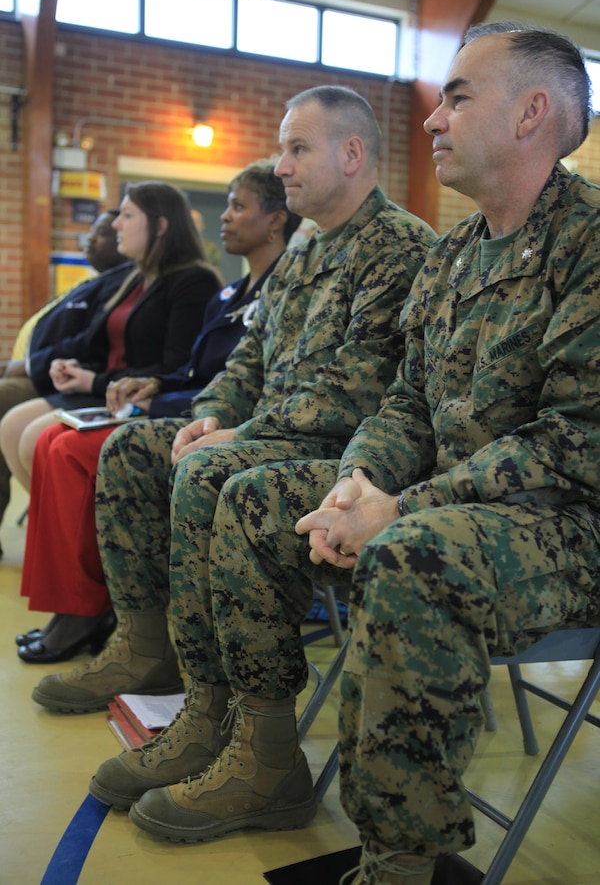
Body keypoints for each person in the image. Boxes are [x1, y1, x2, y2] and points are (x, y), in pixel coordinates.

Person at [145, 22, 600, 882]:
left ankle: (399, 864)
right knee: (258, 497)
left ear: (532, 112)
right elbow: (407, 403)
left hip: (571, 521)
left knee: (413, 555)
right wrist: (361, 481)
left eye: (458, 97)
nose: (432, 119)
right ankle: (263, 755)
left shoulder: (589, 247)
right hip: (454, 500)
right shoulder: (458, 256)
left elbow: (578, 441)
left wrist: (402, 509)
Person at [31, 85, 436, 832]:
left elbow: (360, 388)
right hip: (272, 435)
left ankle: (252, 736)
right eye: (281, 149)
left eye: (297, 148)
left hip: (341, 456)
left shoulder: (401, 248)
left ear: (352, 155)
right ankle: (152, 654)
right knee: (133, 448)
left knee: (213, 471)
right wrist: (213, 411)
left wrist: (239, 436)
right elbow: (249, 359)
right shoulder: (308, 247)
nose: (280, 166)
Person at [16, 158, 302, 663]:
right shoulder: (229, 294)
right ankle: (74, 606)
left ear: (276, 219)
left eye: (239, 206)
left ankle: (94, 609)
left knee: (69, 450)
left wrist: (152, 396)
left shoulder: (286, 287)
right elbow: (191, 370)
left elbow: (245, 384)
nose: (224, 217)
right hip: (188, 403)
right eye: (227, 204)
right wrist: (150, 385)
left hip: (226, 418)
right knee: (52, 441)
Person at [0, 180, 222, 496]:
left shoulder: (193, 281)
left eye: (128, 215)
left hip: (129, 396)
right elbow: (99, 340)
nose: (117, 222)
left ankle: (77, 534)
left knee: (33, 438)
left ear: (159, 226)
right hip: (103, 386)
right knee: (11, 427)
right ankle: (54, 532)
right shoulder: (136, 276)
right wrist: (70, 365)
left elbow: (176, 367)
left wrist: (93, 381)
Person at [0, 210, 133, 555]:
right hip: (56, 373)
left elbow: (87, 343)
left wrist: (30, 366)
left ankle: (71, 543)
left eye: (104, 231)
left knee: (7, 405)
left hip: (68, 378)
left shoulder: (124, 283)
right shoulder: (94, 281)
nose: (90, 237)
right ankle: (58, 538)